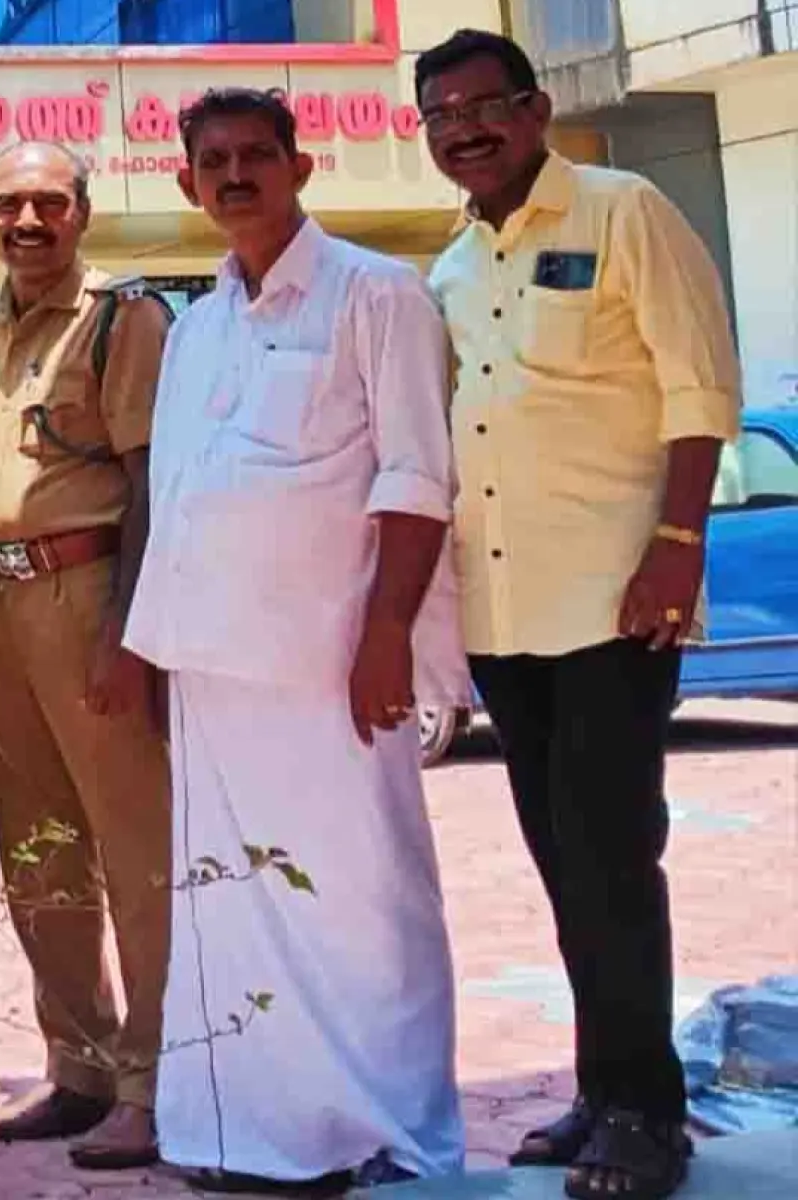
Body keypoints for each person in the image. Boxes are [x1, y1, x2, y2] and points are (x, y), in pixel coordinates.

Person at [122, 88, 468, 1191]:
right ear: (185, 183)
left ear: (300, 167)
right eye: (211, 159)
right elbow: (174, 497)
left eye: (255, 155)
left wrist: (388, 636)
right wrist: (148, 648)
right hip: (213, 672)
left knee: (364, 909)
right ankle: (252, 1139)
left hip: (334, 671)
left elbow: (418, 476)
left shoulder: (380, 294)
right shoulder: (196, 324)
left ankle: (390, 1135)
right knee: (234, 906)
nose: (234, 175)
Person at [418, 29, 740, 1200]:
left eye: (483, 106)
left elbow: (701, 383)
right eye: (441, 116)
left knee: (611, 857)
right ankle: (604, 1092)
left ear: (536, 107)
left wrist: (677, 545)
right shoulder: (451, 269)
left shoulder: (623, 209)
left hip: (616, 598)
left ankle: (648, 1116)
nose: (466, 129)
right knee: (563, 861)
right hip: (509, 611)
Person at [0, 143, 171, 1169]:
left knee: (136, 852)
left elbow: (154, 479)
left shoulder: (125, 319)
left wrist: (135, 626)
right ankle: (77, 1067)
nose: (28, 221)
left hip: (92, 595)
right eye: (10, 204)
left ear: (83, 212)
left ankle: (153, 1083)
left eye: (49, 203)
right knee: (40, 854)